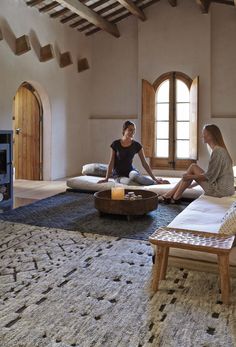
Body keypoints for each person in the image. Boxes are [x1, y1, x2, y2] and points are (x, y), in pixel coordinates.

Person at [159, 124, 235, 204]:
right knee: (193, 167)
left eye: (204, 133)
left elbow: (208, 177)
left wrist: (190, 177)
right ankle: (173, 196)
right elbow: (211, 175)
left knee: (191, 169)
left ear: (211, 136)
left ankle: (172, 196)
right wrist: (192, 183)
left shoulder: (218, 152)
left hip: (220, 191)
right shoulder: (219, 150)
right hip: (225, 190)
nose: (202, 136)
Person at [98, 120, 169, 186]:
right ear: (124, 130)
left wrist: (154, 178)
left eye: (134, 130)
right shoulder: (115, 144)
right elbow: (111, 162)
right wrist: (106, 178)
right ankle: (147, 183)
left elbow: (144, 163)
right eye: (130, 130)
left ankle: (155, 183)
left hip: (131, 171)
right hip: (119, 175)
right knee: (129, 182)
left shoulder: (137, 145)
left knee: (135, 177)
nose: (133, 132)